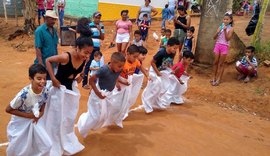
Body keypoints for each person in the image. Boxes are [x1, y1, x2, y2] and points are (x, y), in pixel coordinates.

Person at [43, 36, 93, 155]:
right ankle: (52, 142)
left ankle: (64, 139)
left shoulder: (84, 59)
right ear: (77, 48)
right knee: (55, 118)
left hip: (69, 91)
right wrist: (53, 78)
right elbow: (48, 60)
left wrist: (81, 76)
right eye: (85, 52)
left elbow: (78, 78)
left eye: (89, 53)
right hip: (57, 91)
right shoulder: (66, 57)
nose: (87, 56)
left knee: (67, 118)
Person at [6, 64, 52, 156]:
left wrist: (41, 113)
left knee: (47, 145)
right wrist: (29, 116)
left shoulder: (45, 90)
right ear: (31, 79)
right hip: (20, 123)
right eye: (39, 79)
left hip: (35, 121)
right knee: (19, 148)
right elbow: (8, 109)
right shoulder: (24, 94)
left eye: (44, 78)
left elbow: (44, 102)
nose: (42, 81)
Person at [82, 11, 105, 89]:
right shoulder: (89, 25)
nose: (98, 19)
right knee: (88, 64)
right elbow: (86, 35)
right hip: (90, 48)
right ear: (93, 18)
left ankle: (94, 83)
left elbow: (102, 38)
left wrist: (100, 30)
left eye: (99, 18)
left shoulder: (101, 26)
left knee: (96, 64)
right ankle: (84, 83)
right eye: (96, 17)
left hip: (97, 48)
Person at [211, 13, 234, 86]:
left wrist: (224, 31)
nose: (225, 20)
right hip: (217, 44)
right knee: (215, 62)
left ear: (230, 20)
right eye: (224, 19)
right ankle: (214, 77)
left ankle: (218, 79)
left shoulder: (231, 28)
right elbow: (214, 38)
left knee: (221, 63)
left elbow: (228, 39)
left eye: (227, 19)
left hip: (225, 46)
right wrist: (218, 32)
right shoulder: (220, 26)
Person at [34, 10, 58, 80]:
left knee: (50, 83)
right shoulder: (39, 31)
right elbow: (38, 48)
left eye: (54, 19)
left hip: (52, 62)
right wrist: (41, 63)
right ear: (46, 18)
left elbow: (55, 46)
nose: (53, 21)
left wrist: (57, 60)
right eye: (52, 19)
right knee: (42, 83)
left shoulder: (54, 30)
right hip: (44, 62)